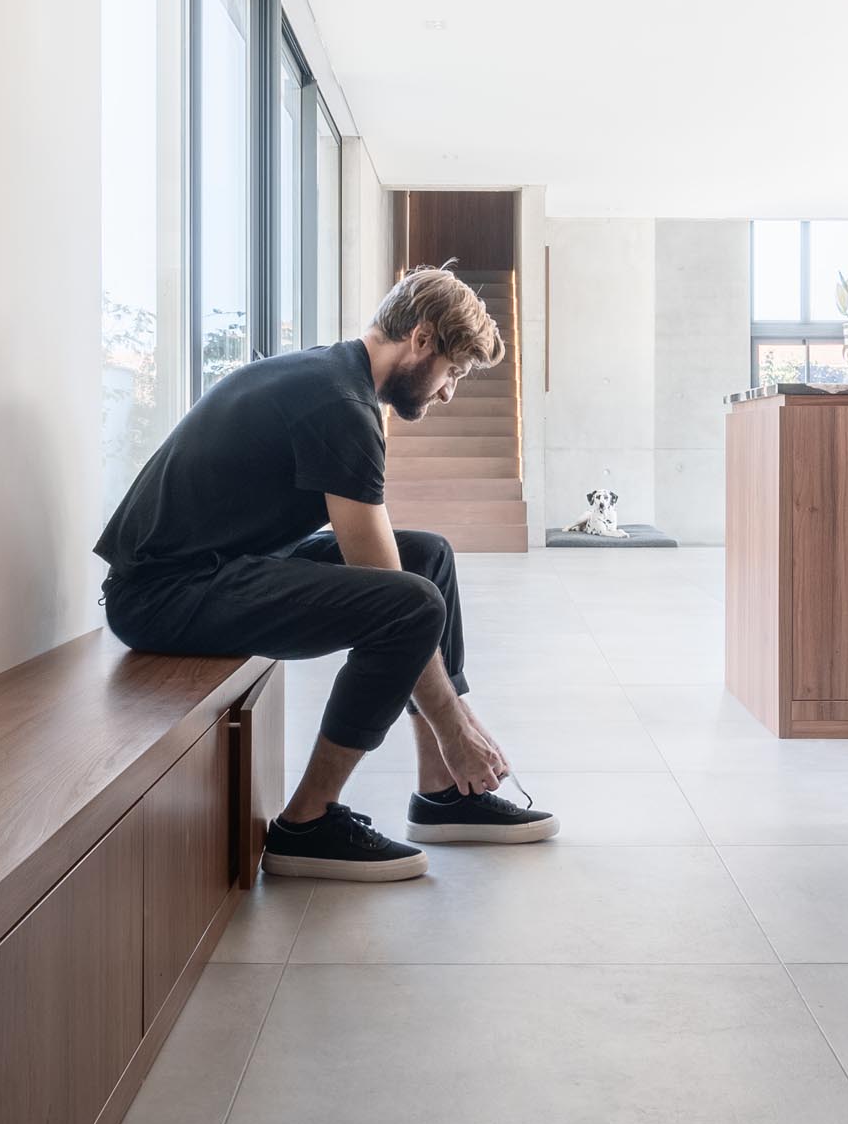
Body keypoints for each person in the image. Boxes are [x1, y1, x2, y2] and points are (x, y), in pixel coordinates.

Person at [95, 265, 557, 881]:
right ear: (421, 340)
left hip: (218, 568)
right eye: (456, 370)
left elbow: (392, 565)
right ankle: (306, 824)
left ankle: (445, 793)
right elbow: (388, 589)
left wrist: (462, 726)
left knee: (428, 556)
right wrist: (457, 728)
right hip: (166, 594)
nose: (450, 392)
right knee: (410, 603)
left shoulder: (334, 378)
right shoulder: (338, 404)